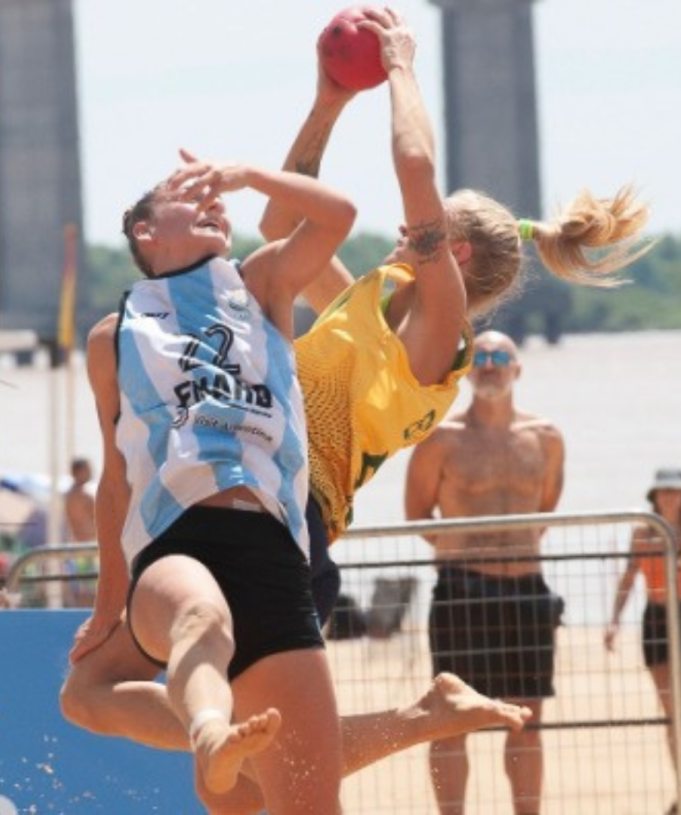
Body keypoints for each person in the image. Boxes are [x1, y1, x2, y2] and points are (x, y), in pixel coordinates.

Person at [62, 9, 649, 811]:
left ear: (455, 251)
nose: (406, 231)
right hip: (261, 495)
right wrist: (329, 102)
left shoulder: (437, 334)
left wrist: (400, 67)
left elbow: (411, 163)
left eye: (425, 229)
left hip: (287, 515)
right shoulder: (363, 303)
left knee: (270, 780)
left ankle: (413, 718)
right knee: (250, 777)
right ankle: (418, 716)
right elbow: (283, 225)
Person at [81, 135, 356, 812]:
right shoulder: (114, 333)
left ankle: (221, 752)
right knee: (199, 616)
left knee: (313, 803)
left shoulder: (259, 285)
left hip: (274, 552)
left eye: (218, 198)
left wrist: (247, 174)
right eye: (190, 195)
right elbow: (114, 481)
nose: (214, 202)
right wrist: (107, 604)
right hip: (176, 538)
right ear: (146, 231)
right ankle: (209, 733)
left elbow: (338, 216)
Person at [406, 330, 567, 815]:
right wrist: (464, 549)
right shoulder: (441, 438)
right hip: (462, 589)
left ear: (517, 369)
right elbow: (417, 514)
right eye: (481, 356)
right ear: (466, 370)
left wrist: (510, 551)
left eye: (502, 356)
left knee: (527, 718)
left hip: (526, 589)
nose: (491, 364)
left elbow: (545, 507)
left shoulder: (546, 437)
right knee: (451, 717)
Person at [605, 468, 681, 789]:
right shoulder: (643, 532)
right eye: (664, 492)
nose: (670, 497)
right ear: (654, 496)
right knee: (671, 712)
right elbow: (628, 577)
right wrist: (614, 620)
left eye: (675, 491)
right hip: (655, 618)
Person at [64, 457, 97, 543]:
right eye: (87, 470)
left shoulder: (68, 495)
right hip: (89, 543)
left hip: (76, 542)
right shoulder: (85, 495)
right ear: (78, 472)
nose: (90, 473)